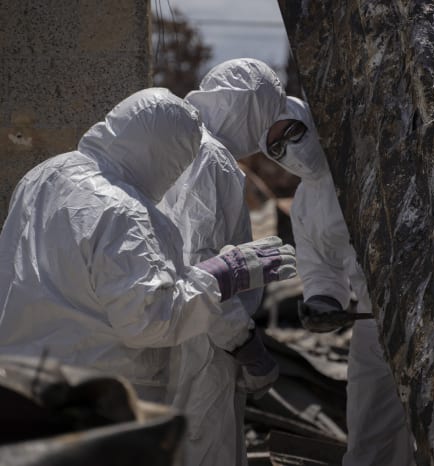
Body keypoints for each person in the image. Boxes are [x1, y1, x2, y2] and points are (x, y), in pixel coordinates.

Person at [0, 89, 295, 413]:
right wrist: (221, 276)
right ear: (164, 155)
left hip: (19, 378)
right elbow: (148, 319)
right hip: (92, 396)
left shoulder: (44, 175)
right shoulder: (123, 211)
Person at [259, 96, 416, 466]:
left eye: (294, 133)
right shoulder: (304, 204)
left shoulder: (372, 161)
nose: (292, 151)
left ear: (312, 123)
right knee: (370, 434)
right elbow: (320, 268)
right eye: (278, 149)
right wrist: (322, 303)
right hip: (373, 322)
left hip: (426, 311)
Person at [154, 58, 288, 465]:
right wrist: (242, 343)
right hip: (203, 345)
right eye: (264, 115)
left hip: (184, 332)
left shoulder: (182, 144)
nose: (264, 132)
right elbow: (203, 270)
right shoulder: (211, 158)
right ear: (245, 107)